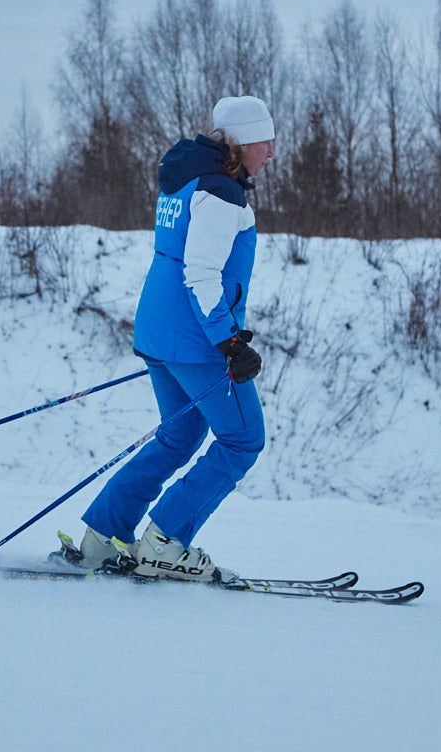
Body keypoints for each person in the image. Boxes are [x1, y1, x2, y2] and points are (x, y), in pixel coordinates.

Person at [56, 95, 275, 582]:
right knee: (243, 439)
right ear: (242, 142)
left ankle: (102, 537)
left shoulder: (186, 180)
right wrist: (228, 341)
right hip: (197, 341)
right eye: (266, 141)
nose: (272, 152)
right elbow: (200, 273)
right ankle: (165, 542)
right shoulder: (221, 193)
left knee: (179, 435)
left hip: (161, 331)